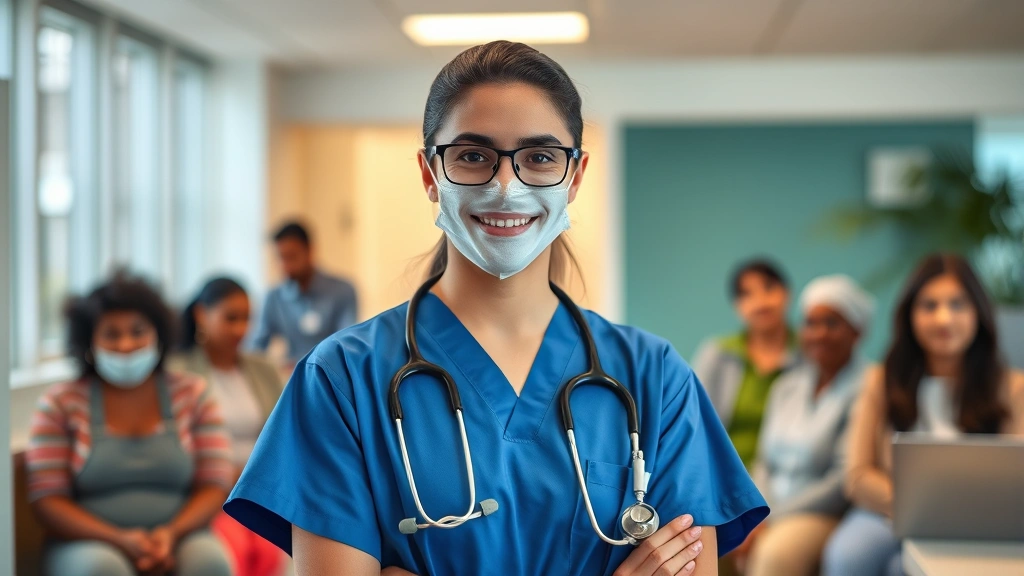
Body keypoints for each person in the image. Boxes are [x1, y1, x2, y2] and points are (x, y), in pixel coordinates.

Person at [224, 41, 768, 576]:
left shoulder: (654, 379)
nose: (505, 186)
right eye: (472, 155)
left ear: (574, 176)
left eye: (538, 157)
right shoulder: (342, 378)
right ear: (429, 174)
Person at [822, 254, 1024, 576]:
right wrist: (917, 509)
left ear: (979, 313)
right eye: (929, 306)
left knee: (900, 569)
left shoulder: (1013, 388)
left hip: (974, 522)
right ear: (910, 315)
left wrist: (952, 513)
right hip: (887, 511)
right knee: (848, 556)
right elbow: (857, 475)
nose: (944, 319)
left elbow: (1016, 479)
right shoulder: (880, 380)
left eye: (958, 304)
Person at [26, 273, 233, 576]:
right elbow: (47, 499)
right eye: (111, 334)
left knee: (211, 563)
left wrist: (171, 533)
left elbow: (215, 484)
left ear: (159, 335)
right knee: (101, 569)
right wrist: (119, 540)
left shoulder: (193, 394)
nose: (126, 345)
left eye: (138, 332)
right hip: (87, 543)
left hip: (182, 534)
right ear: (89, 342)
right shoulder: (60, 403)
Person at [739, 275, 874, 576]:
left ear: (857, 331)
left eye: (832, 323)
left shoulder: (869, 387)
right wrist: (756, 513)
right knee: (707, 538)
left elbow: (842, 480)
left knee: (775, 554)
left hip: (824, 513)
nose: (819, 334)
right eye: (811, 323)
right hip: (769, 508)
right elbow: (763, 462)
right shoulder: (786, 386)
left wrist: (771, 519)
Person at [170, 277, 287, 576]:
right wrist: (229, 476)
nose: (241, 329)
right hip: (210, 494)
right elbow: (177, 447)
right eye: (230, 318)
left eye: (247, 319)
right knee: (234, 553)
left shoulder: (263, 368)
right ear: (201, 315)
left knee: (271, 554)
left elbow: (283, 435)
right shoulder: (178, 372)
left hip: (262, 490)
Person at [692, 259, 798, 470]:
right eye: (747, 294)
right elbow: (695, 424)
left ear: (787, 293)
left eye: (768, 288)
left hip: (788, 480)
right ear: (737, 306)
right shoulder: (718, 354)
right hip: (721, 475)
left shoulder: (810, 354)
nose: (760, 301)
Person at [251, 221, 359, 363]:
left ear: (310, 251)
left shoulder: (343, 291)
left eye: (292, 256)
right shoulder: (274, 297)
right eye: (281, 258)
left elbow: (346, 344)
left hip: (330, 375)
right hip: (290, 376)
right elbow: (255, 348)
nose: (286, 265)